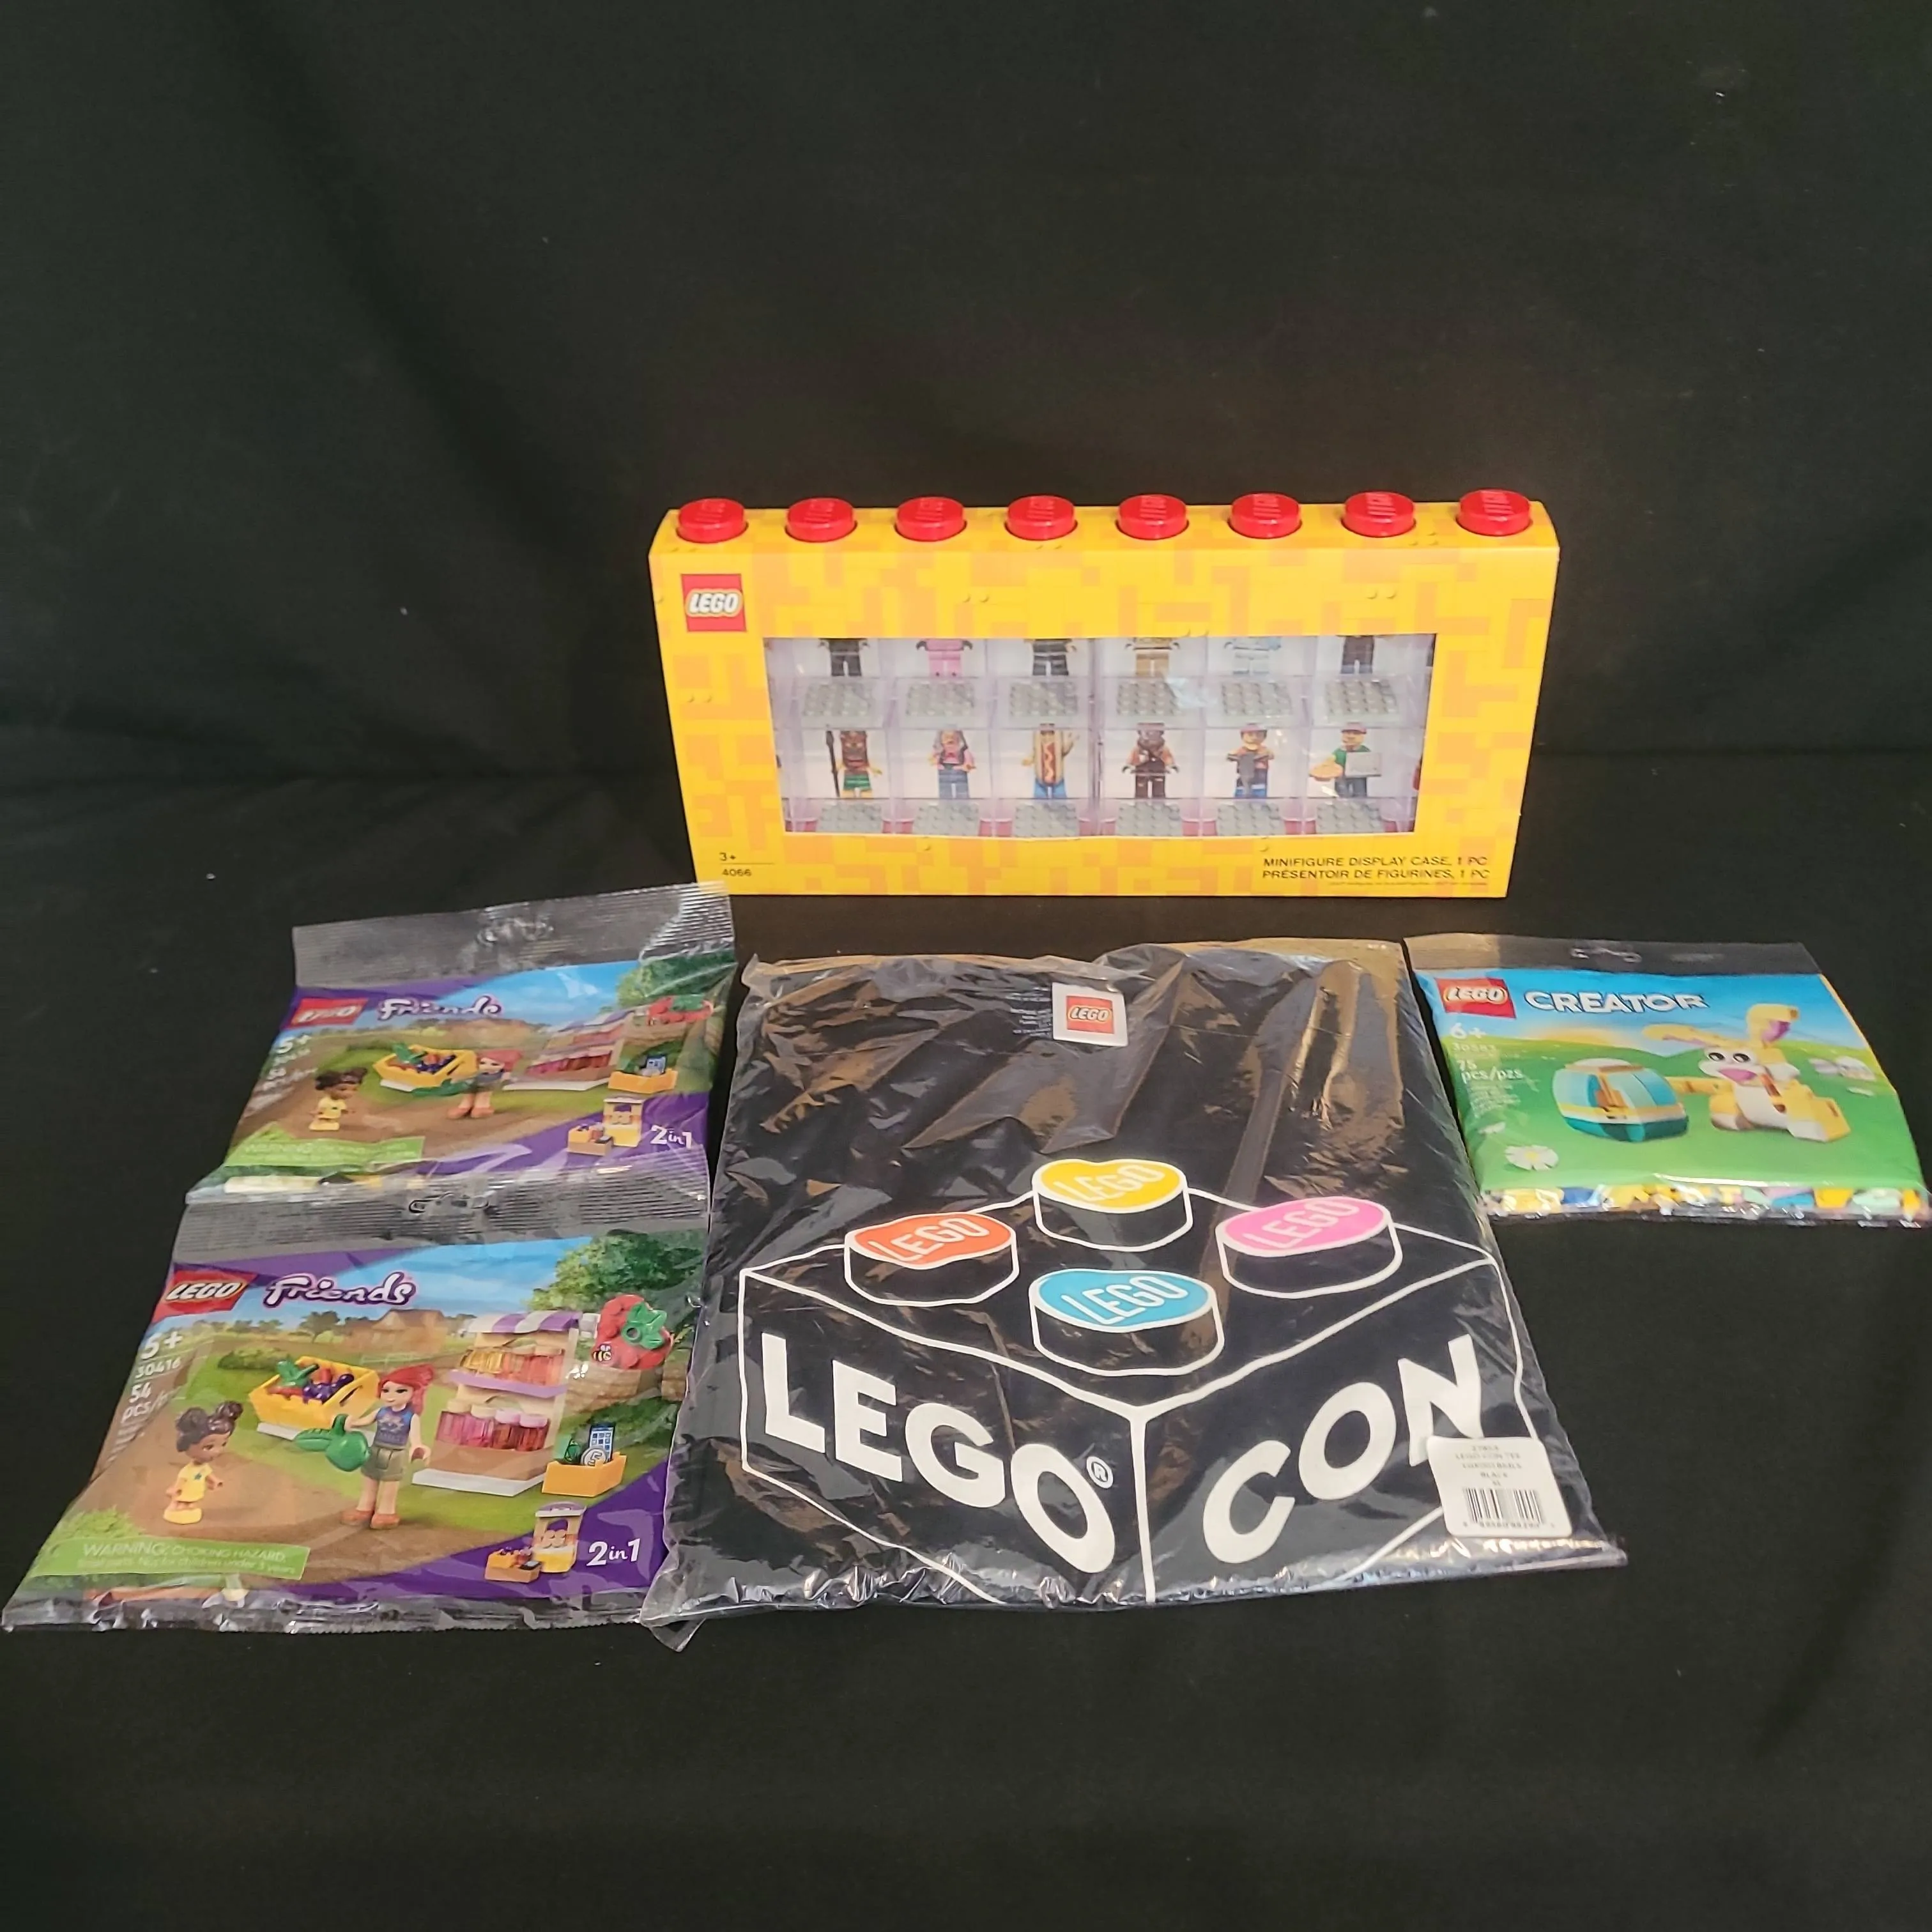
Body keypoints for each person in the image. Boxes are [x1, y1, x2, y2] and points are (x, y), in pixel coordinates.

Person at [340, 1365, 434, 1530]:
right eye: (386, 1390)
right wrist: (350, 1423)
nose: (391, 1396)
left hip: (395, 1453)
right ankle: (364, 1508)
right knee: (370, 1479)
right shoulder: (381, 1412)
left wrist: (418, 1447)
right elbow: (364, 1422)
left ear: (414, 1393)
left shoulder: (411, 1417)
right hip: (376, 1449)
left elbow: (415, 1438)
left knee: (390, 1484)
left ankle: (386, 1512)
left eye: (400, 1391)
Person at [162, 1403, 243, 1525]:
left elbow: (208, 1474)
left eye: (223, 1444)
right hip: (185, 1491)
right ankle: (173, 1510)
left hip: (196, 1491)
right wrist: (175, 1489)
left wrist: (215, 1481)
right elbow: (181, 1481)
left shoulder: (204, 1467)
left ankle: (187, 1511)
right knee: (181, 1502)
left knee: (191, 1504)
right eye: (209, 1447)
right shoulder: (188, 1471)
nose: (217, 1452)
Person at [448, 1050, 513, 1119]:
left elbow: (506, 1079)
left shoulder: (499, 1074)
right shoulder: (476, 1072)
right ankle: (465, 1106)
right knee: (469, 1093)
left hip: (488, 1084)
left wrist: (505, 1079)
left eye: (495, 1064)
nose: (487, 1067)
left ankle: (482, 1106)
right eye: (483, 1063)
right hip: (473, 1083)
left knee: (483, 1094)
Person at [1124, 724, 1176, 800]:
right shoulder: (1138, 748)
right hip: (1142, 770)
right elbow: (1133, 756)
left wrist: (1171, 765)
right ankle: (1141, 801)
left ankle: (1159, 801)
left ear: (1160, 733)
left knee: (1159, 788)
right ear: (1140, 733)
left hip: (1158, 770)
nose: (1151, 734)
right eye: (1147, 731)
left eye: (1155, 732)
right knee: (1141, 788)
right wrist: (1129, 765)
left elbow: (1167, 757)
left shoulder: (1162, 749)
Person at [1227, 727, 1272, 799]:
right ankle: (1241, 795)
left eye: (1258, 735)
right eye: (1250, 734)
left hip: (1260, 773)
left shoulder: (1264, 750)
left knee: (1259, 787)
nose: (1254, 737)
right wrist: (1238, 758)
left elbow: (1271, 755)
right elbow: (1230, 756)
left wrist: (1262, 757)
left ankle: (1259, 796)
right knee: (1242, 786)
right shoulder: (1242, 750)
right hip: (1244, 772)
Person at [930, 729, 974, 800]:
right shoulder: (941, 751)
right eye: (946, 739)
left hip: (960, 770)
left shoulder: (963, 751)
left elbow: (969, 759)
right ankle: (946, 803)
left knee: (962, 790)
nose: (950, 741)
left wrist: (967, 765)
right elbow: (933, 758)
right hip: (944, 770)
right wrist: (935, 761)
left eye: (953, 739)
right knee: (945, 791)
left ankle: (963, 803)